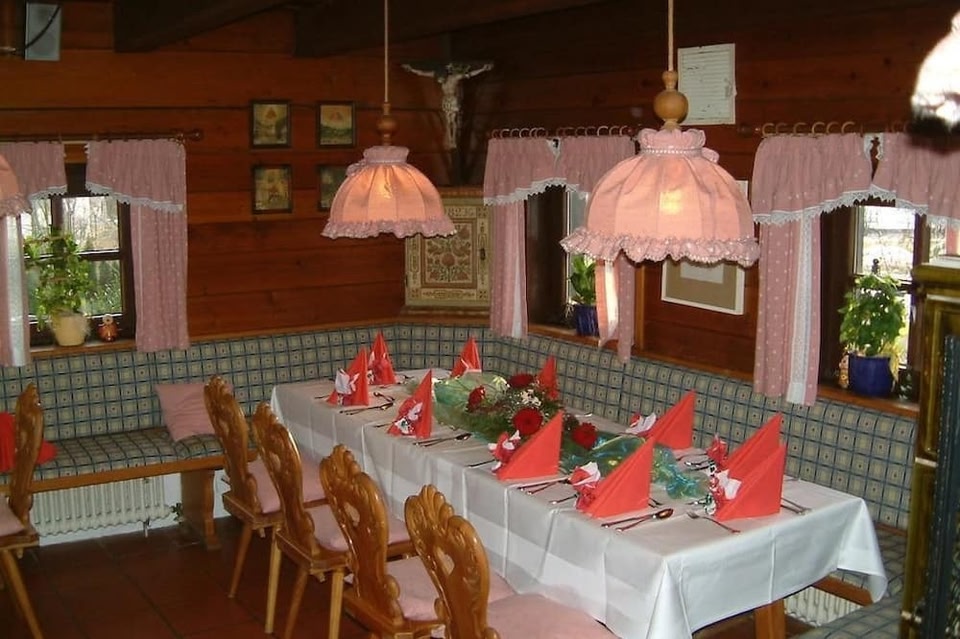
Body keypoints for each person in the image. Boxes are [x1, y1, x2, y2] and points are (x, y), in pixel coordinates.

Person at [402, 61, 493, 149]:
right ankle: (450, 139)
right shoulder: (439, 77)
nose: (440, 80)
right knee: (448, 120)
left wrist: (483, 69)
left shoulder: (454, 77)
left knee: (452, 120)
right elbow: (422, 73)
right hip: (446, 100)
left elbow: (470, 74)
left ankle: (453, 139)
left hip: (452, 100)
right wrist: (411, 69)